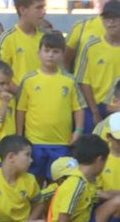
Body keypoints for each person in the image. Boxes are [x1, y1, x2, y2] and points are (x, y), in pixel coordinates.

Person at [16, 33, 85, 183]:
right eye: (46, 51)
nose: (50, 55)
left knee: (59, 181)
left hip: (62, 142)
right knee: (34, 180)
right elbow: (21, 110)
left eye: (55, 52)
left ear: (62, 54)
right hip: (34, 142)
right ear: (38, 53)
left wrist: (78, 131)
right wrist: (19, 135)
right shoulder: (29, 80)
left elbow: (78, 108)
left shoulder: (69, 80)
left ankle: (55, 207)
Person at [45, 134, 120, 222]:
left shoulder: (88, 179)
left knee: (118, 201)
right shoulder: (76, 184)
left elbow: (103, 195)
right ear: (99, 159)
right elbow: (62, 220)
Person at [74, 0, 120, 129]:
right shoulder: (90, 46)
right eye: (107, 18)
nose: (111, 22)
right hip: (95, 106)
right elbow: (83, 80)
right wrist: (95, 111)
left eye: (115, 18)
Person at [0, 0, 46, 89]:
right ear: (23, 10)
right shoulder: (6, 39)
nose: (44, 12)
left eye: (44, 7)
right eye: (38, 8)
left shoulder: (47, 37)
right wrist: (23, 96)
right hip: (18, 101)